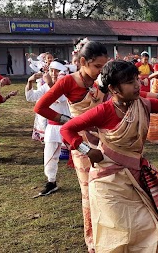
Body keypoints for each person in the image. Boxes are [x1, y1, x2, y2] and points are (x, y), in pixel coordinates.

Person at [60, 60, 158, 253]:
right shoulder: (103, 111)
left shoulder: (143, 104)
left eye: (136, 79)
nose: (137, 85)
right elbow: (67, 128)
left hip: (134, 176)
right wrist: (86, 149)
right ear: (113, 88)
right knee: (119, 233)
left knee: (148, 226)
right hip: (107, 182)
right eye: (129, 81)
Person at [33, 39, 109, 252]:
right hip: (81, 144)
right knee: (88, 190)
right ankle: (93, 240)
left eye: (104, 66)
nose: (100, 71)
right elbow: (40, 107)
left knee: (107, 187)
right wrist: (66, 119)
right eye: (97, 67)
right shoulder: (68, 82)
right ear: (83, 61)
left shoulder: (99, 81)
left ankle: (110, 232)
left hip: (104, 139)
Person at [25, 61, 71, 196]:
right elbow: (30, 97)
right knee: (50, 155)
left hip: (69, 125)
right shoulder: (46, 87)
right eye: (51, 71)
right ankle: (51, 181)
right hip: (52, 126)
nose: (54, 74)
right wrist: (30, 81)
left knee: (79, 153)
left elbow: (61, 98)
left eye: (57, 71)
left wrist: (50, 83)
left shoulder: (68, 85)